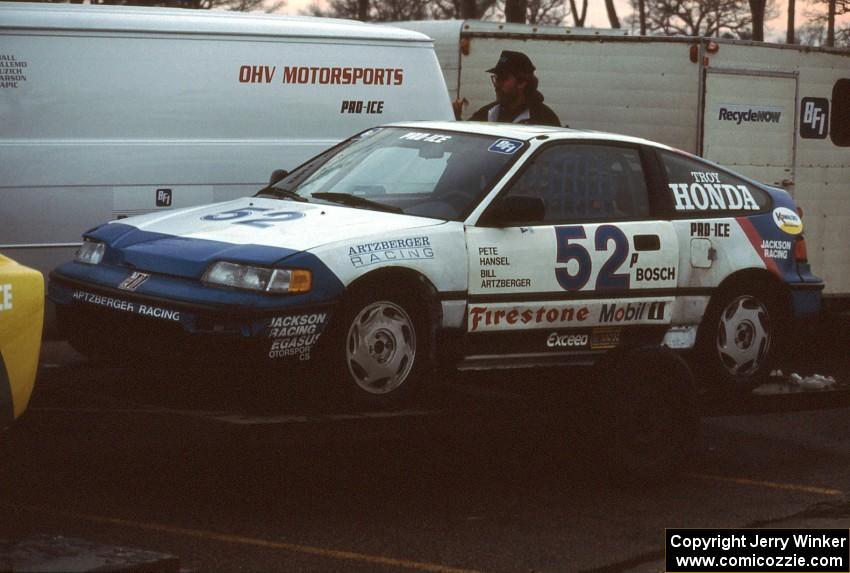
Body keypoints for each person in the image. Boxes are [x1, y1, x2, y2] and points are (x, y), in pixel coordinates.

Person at [453, 50, 561, 127]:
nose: (496, 84)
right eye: (496, 78)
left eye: (503, 78)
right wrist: (456, 118)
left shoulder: (544, 119)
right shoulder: (489, 112)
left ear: (522, 82)